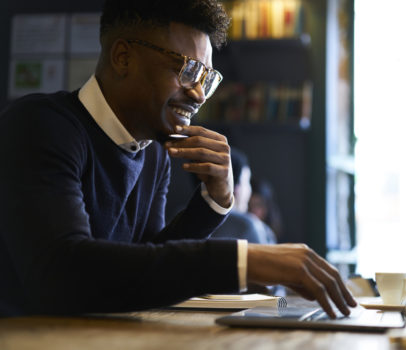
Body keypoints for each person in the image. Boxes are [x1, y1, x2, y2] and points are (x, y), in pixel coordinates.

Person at [0, 0, 356, 318]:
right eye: (186, 69)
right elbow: (64, 273)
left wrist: (213, 205)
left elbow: (144, 270)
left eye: (206, 77)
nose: (199, 93)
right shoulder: (40, 125)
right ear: (123, 57)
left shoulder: (153, 152)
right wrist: (245, 260)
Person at [210, 148, 276, 244]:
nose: (249, 191)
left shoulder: (185, 218)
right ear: (236, 188)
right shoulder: (251, 227)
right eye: (247, 182)